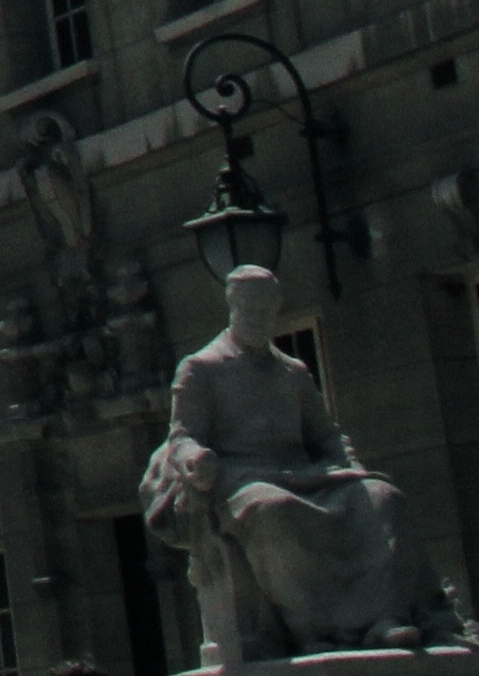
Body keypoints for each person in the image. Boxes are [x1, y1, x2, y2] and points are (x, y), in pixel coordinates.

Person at [141, 260, 412, 666]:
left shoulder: (293, 372)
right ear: (232, 309)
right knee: (272, 510)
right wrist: (197, 460)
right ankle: (316, 630)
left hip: (304, 474)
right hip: (240, 478)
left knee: (381, 497)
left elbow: (325, 435)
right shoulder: (201, 368)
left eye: (265, 315)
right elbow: (182, 436)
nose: (257, 322)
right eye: (249, 313)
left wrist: (350, 469)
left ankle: (384, 617)